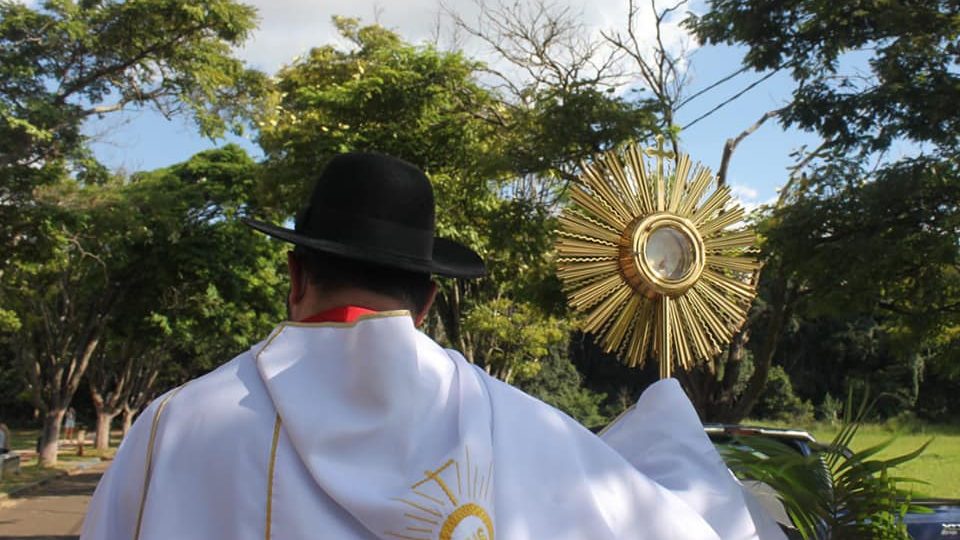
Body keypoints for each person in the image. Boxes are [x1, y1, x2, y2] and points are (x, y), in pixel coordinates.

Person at [81, 152, 784, 539]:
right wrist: (666, 424)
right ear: (428, 299)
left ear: (295, 277)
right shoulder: (521, 427)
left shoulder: (174, 426)